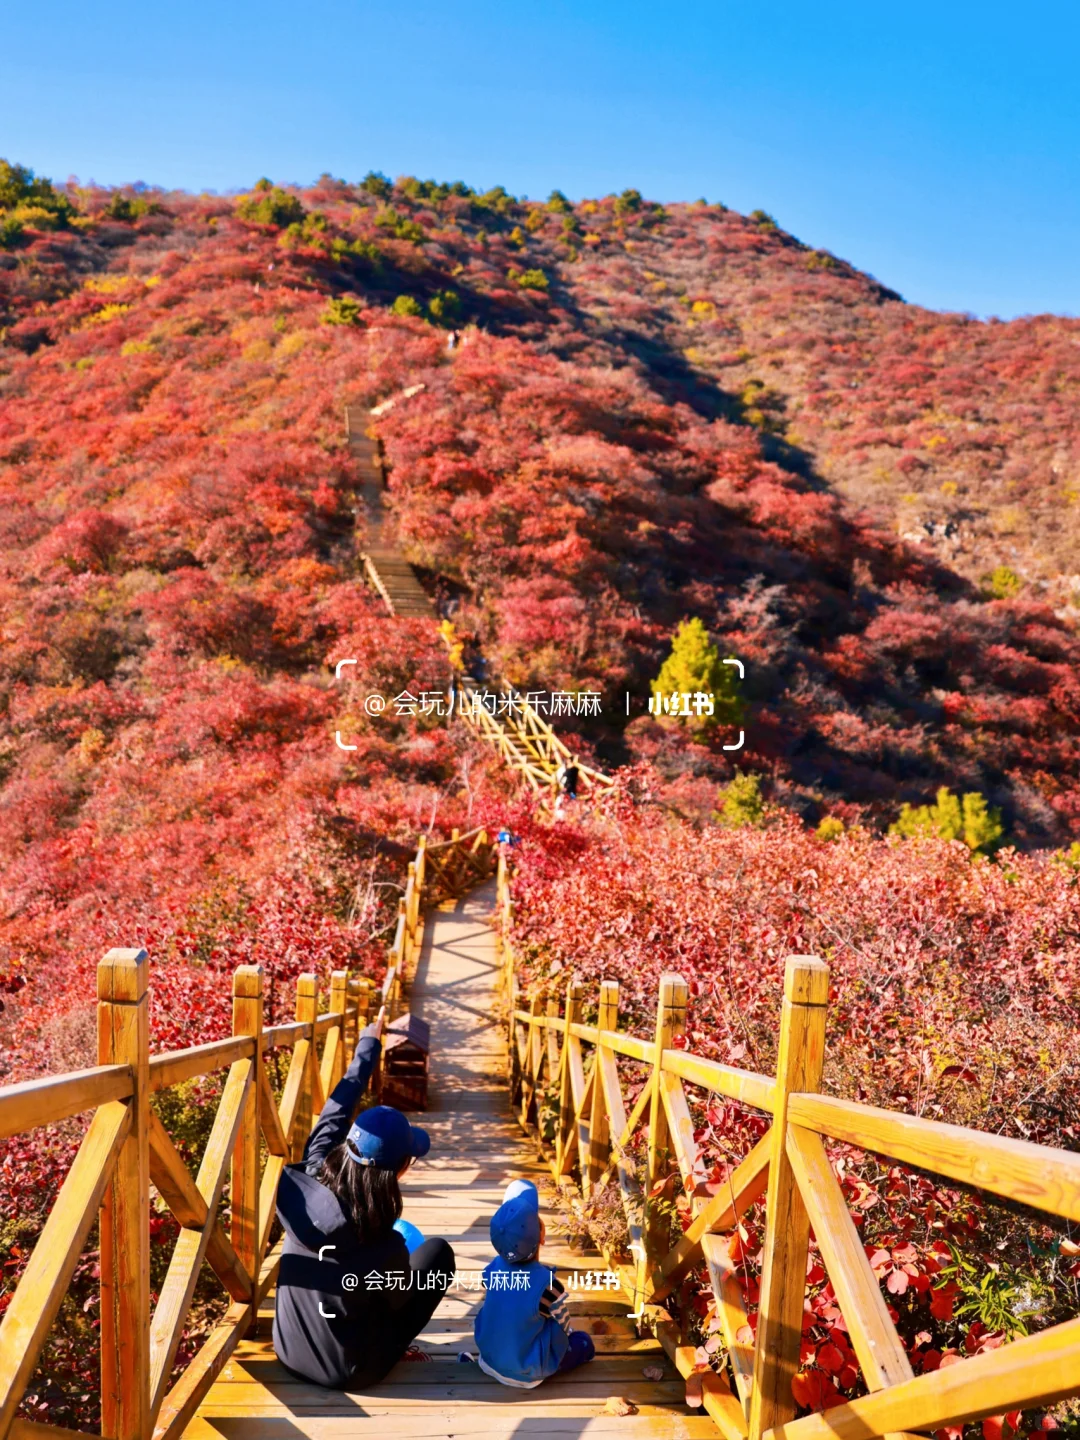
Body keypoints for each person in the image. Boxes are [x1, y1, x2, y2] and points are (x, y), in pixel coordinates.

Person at [273, 1022, 455, 1389]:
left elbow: (336, 1111)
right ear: (398, 1170)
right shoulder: (382, 1245)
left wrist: (368, 1044)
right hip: (349, 1372)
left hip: (288, 1351)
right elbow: (398, 1301)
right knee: (438, 1256)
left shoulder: (310, 1175)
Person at [472, 1180, 595, 1388]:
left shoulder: (491, 1269)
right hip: (528, 1372)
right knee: (582, 1342)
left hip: (489, 1360)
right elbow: (564, 1324)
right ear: (542, 1237)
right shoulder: (548, 1286)